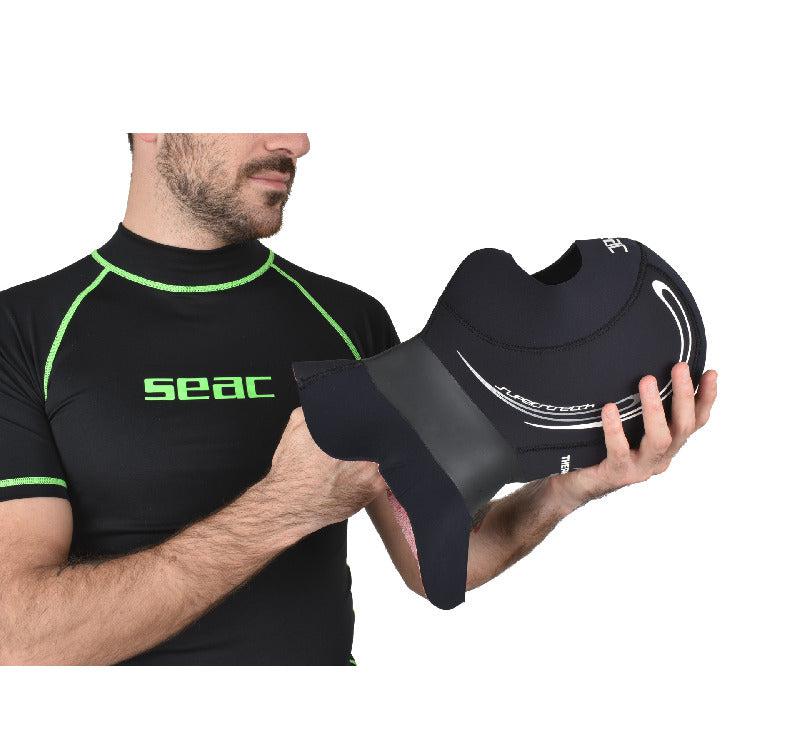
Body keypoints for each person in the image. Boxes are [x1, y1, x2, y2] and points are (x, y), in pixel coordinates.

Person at [0, 133, 718, 665]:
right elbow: (19, 638)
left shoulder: (345, 319)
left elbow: (438, 560)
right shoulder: (26, 333)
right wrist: (285, 507)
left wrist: (567, 489)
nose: (296, 141)